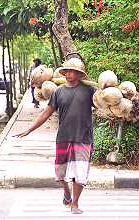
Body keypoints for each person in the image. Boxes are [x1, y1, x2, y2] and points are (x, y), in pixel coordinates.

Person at [14, 58, 95, 214]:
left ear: (79, 74)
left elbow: (101, 104)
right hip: (63, 137)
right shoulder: (58, 92)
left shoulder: (89, 91)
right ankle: (66, 191)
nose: (68, 74)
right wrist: (29, 129)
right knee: (60, 173)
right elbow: (46, 113)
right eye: (66, 71)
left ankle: (75, 204)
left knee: (81, 173)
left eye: (72, 71)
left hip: (83, 138)